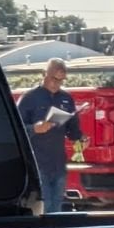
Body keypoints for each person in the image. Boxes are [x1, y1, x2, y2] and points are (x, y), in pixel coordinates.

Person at [17, 58, 80, 213]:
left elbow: (73, 129)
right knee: (44, 207)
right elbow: (17, 130)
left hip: (58, 164)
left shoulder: (66, 98)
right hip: (37, 164)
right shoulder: (29, 98)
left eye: (61, 80)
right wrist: (34, 129)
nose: (56, 84)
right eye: (54, 79)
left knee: (56, 208)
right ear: (44, 74)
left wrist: (80, 138)